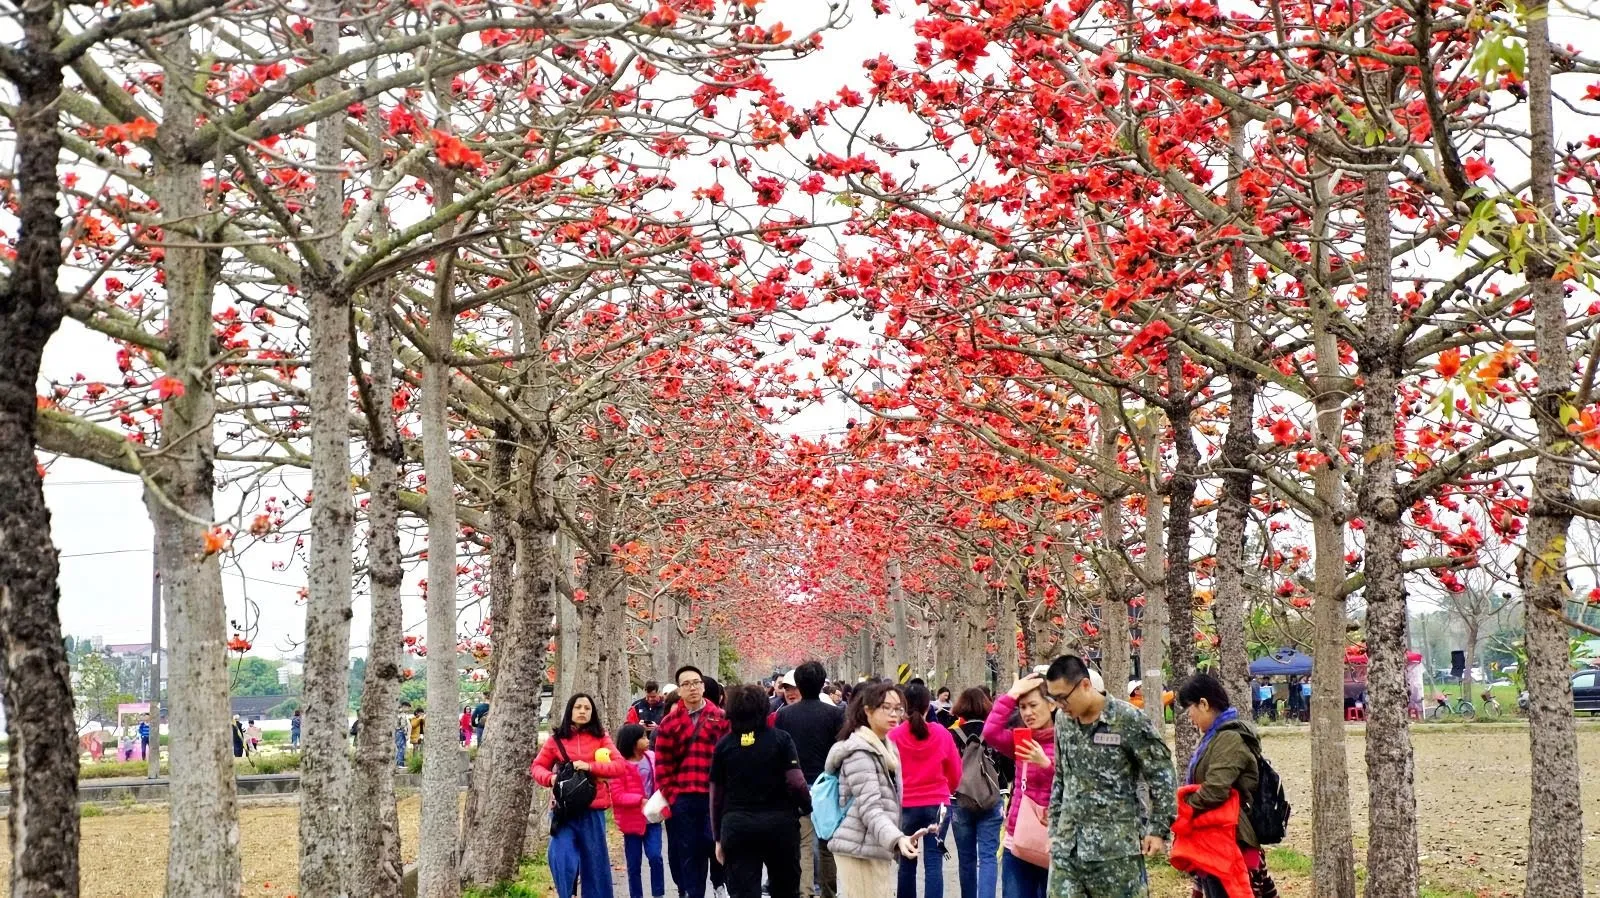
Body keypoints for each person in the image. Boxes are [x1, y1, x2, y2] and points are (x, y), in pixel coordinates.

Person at [1043, 655, 1177, 898]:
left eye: (1063, 697)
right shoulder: (1063, 721)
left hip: (1115, 852)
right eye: (1054, 699)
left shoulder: (1128, 720)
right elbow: (1061, 776)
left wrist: (1158, 829)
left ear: (1085, 685)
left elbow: (1162, 774)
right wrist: (1054, 830)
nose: (1060, 705)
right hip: (1067, 849)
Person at [1174, 674, 1279, 898]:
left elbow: (1215, 790)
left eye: (1189, 708)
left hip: (1230, 839)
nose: (1189, 716)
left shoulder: (1229, 739)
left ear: (1204, 704)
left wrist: (1182, 808)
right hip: (1214, 836)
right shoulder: (1215, 737)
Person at [823, 682, 925, 898]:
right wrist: (897, 838)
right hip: (857, 848)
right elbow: (870, 809)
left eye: (898, 708)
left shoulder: (885, 748)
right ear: (867, 710)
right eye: (885, 707)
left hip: (873, 845)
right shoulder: (860, 753)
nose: (893, 714)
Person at [711, 684, 811, 898]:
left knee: (743, 890)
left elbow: (716, 797)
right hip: (780, 825)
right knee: (785, 888)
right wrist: (805, 805)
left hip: (737, 826)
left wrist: (718, 836)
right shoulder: (781, 740)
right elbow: (796, 781)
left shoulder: (724, 746)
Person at [533, 693, 627, 898]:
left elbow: (619, 766)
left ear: (592, 713)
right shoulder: (555, 740)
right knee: (560, 857)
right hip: (564, 812)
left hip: (593, 811)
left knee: (595, 866)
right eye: (578, 707)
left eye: (587, 708)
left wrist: (590, 766)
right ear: (570, 711)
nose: (582, 711)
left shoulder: (601, 738)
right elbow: (537, 767)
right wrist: (551, 778)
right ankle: (565, 894)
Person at [656, 665, 731, 898]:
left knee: (714, 843)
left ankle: (719, 884)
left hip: (714, 796)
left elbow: (730, 756)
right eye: (686, 684)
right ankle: (692, 892)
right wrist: (672, 796)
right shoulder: (669, 723)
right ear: (679, 690)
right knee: (689, 850)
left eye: (696, 682)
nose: (693, 688)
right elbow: (662, 764)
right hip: (684, 798)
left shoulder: (720, 717)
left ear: (703, 685)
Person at [775, 660, 847, 898]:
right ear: (821, 683)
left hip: (796, 786)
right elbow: (841, 751)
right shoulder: (835, 714)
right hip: (827, 785)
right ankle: (828, 891)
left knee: (803, 844)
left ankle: (805, 891)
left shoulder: (784, 715)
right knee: (827, 844)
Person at [982, 674, 1057, 898]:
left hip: (1055, 841)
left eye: (1033, 705)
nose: (1027, 713)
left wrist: (1045, 763)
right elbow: (991, 733)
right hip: (1018, 839)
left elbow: (1078, 783)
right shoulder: (1021, 740)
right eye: (1022, 707)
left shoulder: (1068, 739)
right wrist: (1011, 695)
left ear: (1052, 704)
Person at [888, 684, 960, 898]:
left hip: (907, 805)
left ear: (903, 707)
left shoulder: (894, 736)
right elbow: (955, 772)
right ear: (929, 706)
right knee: (934, 862)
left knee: (907, 862)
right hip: (938, 804)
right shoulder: (942, 734)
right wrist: (949, 790)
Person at [949, 688, 1009, 898]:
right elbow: (1008, 768)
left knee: (966, 858)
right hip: (992, 798)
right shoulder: (994, 733)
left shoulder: (952, 735)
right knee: (988, 857)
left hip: (959, 799)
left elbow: (946, 769)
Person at [614, 723, 667, 898]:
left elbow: (660, 779)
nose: (647, 740)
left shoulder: (651, 757)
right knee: (634, 864)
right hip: (632, 822)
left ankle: (658, 893)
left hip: (653, 818)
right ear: (632, 742)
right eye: (643, 737)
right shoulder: (619, 765)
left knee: (655, 857)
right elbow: (617, 795)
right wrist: (639, 800)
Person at [628, 682, 669, 747]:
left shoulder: (667, 706)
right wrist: (639, 727)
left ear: (659, 692)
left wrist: (657, 728)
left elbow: (673, 727)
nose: (650, 699)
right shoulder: (636, 706)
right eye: (648, 696)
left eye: (653, 696)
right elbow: (627, 727)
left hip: (661, 744)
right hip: (641, 745)